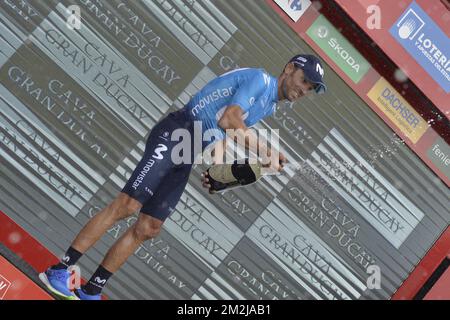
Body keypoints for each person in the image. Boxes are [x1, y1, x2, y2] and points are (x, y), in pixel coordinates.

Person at [39, 54, 326, 300]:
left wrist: (220, 175)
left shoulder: (269, 105)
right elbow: (230, 119)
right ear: (289, 68)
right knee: (126, 206)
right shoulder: (259, 81)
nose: (305, 90)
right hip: (177, 132)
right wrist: (265, 150)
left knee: (149, 227)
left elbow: (225, 131)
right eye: (304, 81)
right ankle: (60, 270)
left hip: (189, 149)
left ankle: (91, 290)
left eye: (311, 88)